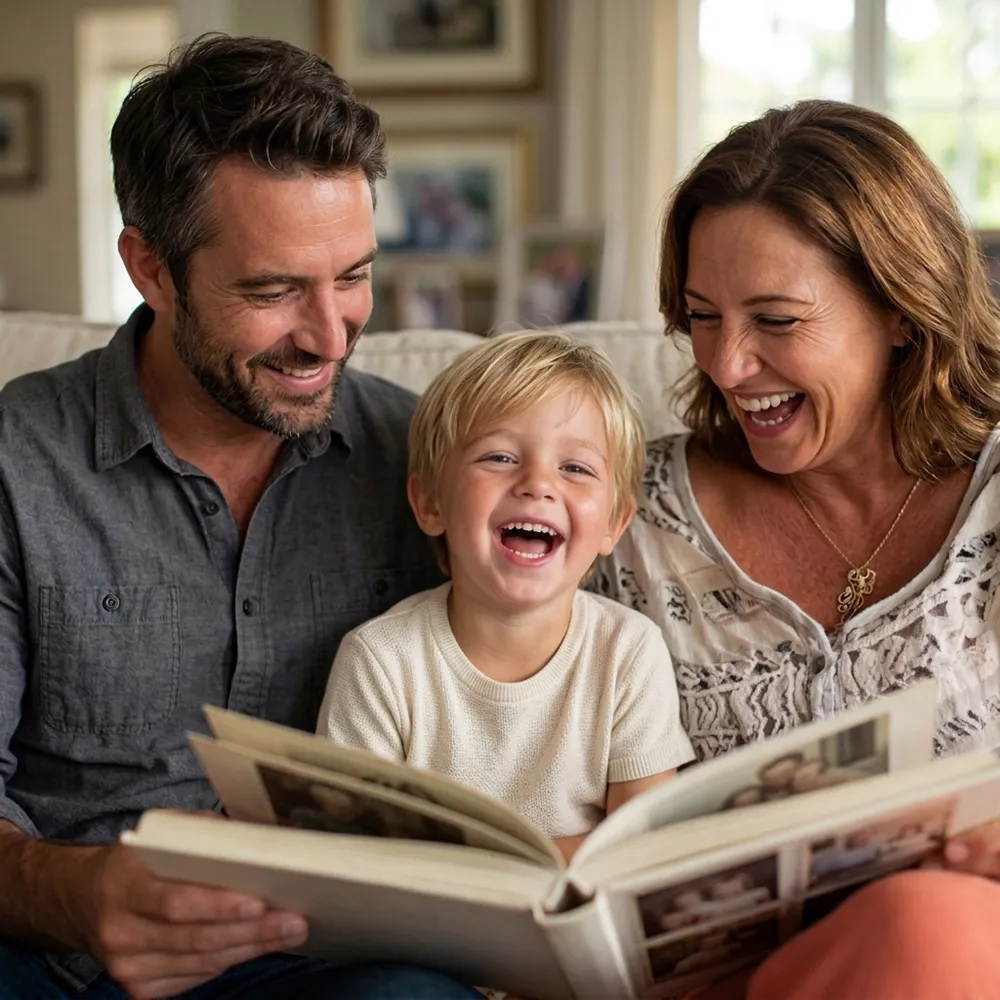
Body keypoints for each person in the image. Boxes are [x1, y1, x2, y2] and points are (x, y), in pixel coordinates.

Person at [0, 33, 489, 1000]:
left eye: (352, 275)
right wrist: (80, 893)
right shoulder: (17, 466)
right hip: (51, 954)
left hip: (313, 968)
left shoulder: (426, 462)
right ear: (152, 269)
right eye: (271, 291)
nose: (328, 333)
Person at [599, 98, 1000, 999]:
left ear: (903, 311)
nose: (727, 365)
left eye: (776, 321)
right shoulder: (622, 515)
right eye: (702, 316)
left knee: (922, 928)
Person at [318, 331, 694, 862]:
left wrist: (464, 859)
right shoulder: (379, 661)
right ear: (429, 503)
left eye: (575, 468)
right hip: (418, 938)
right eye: (498, 457)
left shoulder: (629, 653)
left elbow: (642, 850)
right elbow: (352, 855)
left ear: (614, 522)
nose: (538, 484)